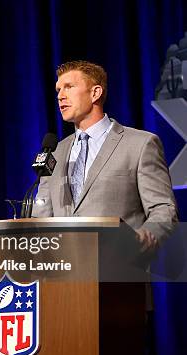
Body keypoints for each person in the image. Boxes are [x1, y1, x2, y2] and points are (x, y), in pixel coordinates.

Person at [33, 60, 178, 247]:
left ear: (95, 93)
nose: (60, 96)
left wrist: (140, 242)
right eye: (58, 90)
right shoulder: (56, 152)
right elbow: (41, 215)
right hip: (63, 270)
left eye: (68, 87)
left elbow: (163, 210)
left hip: (119, 269)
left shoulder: (140, 144)